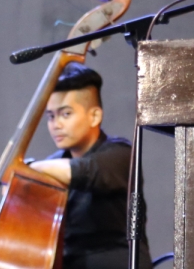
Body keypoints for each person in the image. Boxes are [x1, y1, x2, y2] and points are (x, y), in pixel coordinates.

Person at [28, 64, 150, 269]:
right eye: (51, 116)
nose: (56, 124)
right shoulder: (52, 164)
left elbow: (82, 171)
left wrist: (27, 168)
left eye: (66, 114)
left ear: (94, 116)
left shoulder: (120, 154)